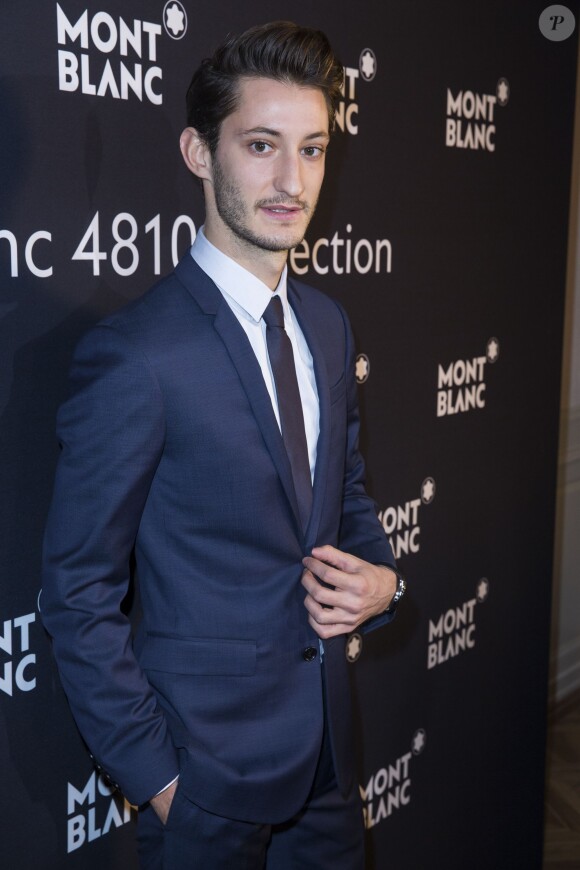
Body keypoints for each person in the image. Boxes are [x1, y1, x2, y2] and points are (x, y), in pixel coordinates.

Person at [41, 20, 405, 869]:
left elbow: (343, 490)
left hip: (327, 766)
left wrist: (385, 581)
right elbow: (78, 591)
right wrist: (162, 783)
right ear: (199, 153)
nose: (292, 181)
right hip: (203, 789)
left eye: (313, 149)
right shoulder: (139, 354)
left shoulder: (326, 323)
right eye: (261, 145)